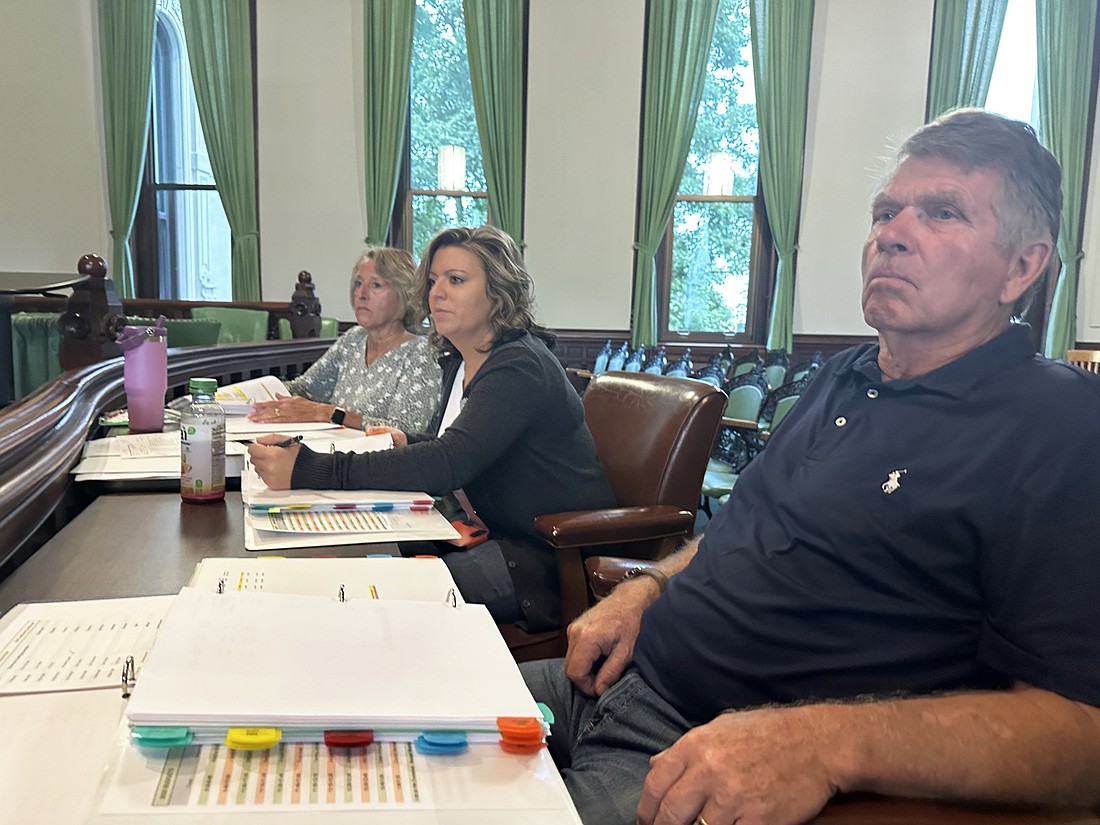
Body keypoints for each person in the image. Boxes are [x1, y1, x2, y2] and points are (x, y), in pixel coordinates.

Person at [521, 109, 1100, 825]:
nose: (891, 232)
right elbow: (735, 529)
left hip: (697, 753)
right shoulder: (843, 376)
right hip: (603, 680)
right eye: (885, 211)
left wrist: (822, 744)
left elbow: (1083, 732)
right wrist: (647, 592)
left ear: (1023, 266)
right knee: (361, 736)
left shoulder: (1058, 424)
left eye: (943, 213)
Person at [249, 225, 616, 630]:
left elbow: (449, 462)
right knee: (342, 564)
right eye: (433, 280)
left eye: (455, 280)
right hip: (483, 530)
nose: (436, 292)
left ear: (498, 292)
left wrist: (308, 468)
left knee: (374, 603)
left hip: (543, 557)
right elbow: (465, 446)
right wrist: (410, 440)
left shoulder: (519, 365)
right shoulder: (460, 359)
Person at [248, 247, 440, 433]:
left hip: (384, 462)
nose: (361, 294)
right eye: (358, 283)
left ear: (404, 294)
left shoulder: (422, 353)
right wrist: (244, 396)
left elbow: (404, 430)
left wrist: (329, 413)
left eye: (376, 285)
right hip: (337, 454)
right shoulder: (354, 339)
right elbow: (303, 389)